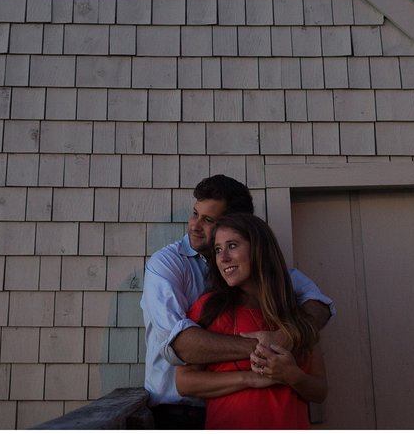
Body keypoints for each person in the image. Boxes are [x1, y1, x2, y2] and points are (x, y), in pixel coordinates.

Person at [141, 175, 334, 429]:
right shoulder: (168, 267)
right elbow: (182, 344)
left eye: (208, 220)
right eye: (195, 214)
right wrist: (267, 347)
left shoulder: (284, 300)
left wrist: (291, 337)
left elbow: (318, 303)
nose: (194, 226)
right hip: (177, 411)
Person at [175, 213, 327, 429]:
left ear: (259, 249)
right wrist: (249, 379)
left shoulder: (296, 311)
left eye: (232, 245)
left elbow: (320, 390)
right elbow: (184, 382)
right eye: (218, 249)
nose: (223, 257)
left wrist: (292, 375)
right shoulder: (210, 308)